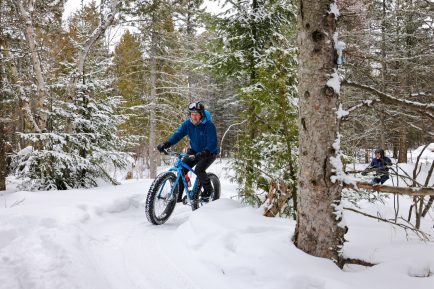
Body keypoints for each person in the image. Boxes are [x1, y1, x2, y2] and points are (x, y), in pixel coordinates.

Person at [157, 101, 219, 202]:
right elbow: (178, 134)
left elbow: (212, 142)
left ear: (201, 114)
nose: (194, 117)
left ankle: (208, 191)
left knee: (199, 169)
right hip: (194, 151)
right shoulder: (188, 124)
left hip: (209, 152)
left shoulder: (209, 125)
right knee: (182, 168)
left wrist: (205, 152)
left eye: (196, 115)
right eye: (192, 114)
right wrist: (166, 144)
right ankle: (178, 196)